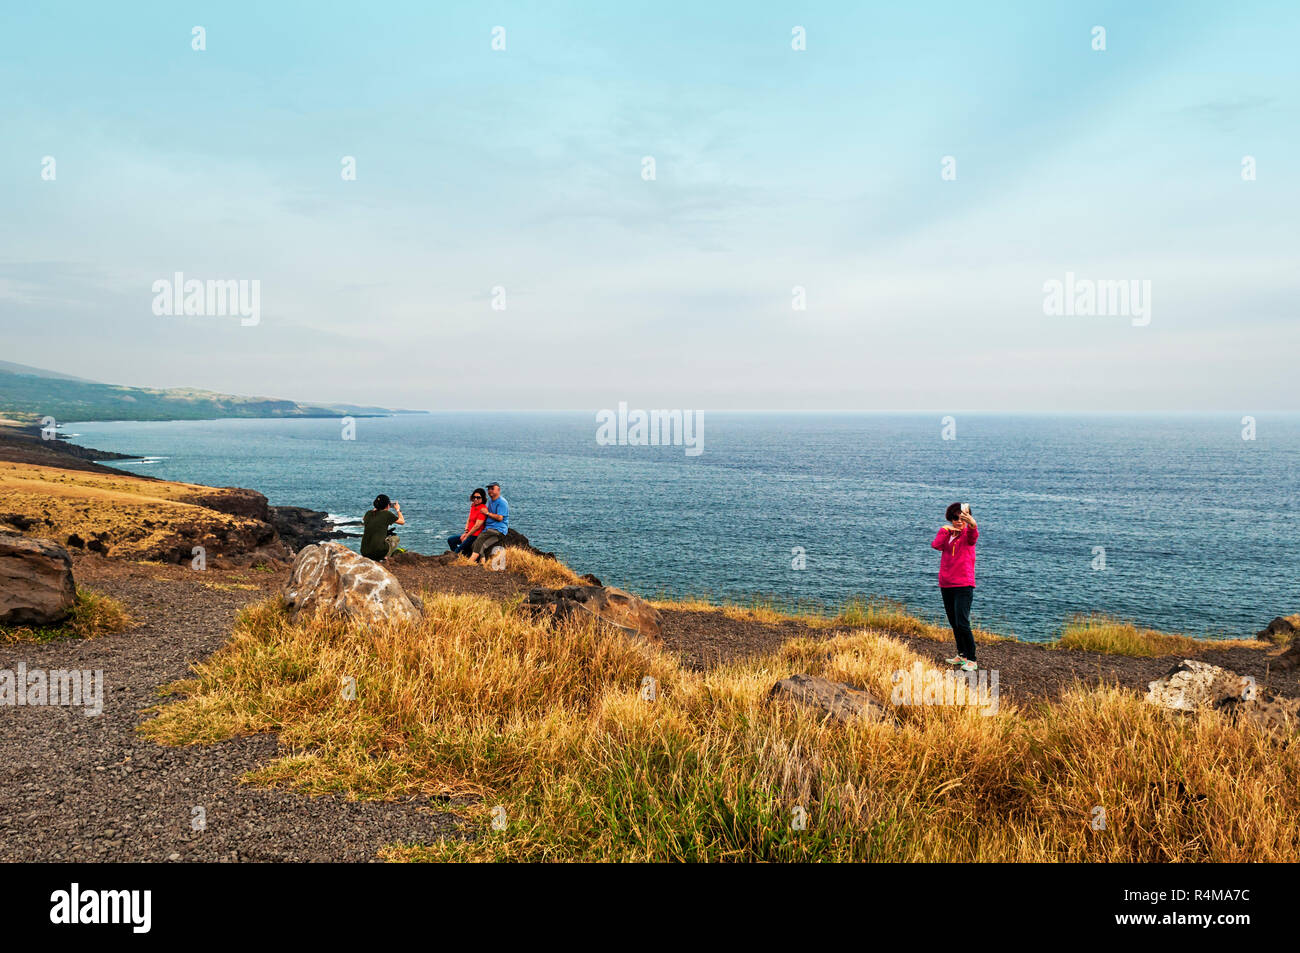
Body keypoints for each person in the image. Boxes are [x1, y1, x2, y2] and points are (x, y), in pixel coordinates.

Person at [931, 502, 978, 671]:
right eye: (954, 518)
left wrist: (972, 524)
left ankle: (972, 658)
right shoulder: (947, 533)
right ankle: (962, 654)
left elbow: (973, 536)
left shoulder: (968, 534)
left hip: (963, 584)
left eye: (961, 518)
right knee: (954, 622)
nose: (958, 521)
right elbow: (936, 545)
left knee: (962, 622)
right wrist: (945, 530)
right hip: (946, 583)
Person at [470, 482, 508, 563]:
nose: (490, 491)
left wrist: (487, 513)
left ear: (498, 490)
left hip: (497, 529)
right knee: (477, 545)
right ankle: (482, 563)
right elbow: (484, 507)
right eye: (488, 489)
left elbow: (500, 518)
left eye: (492, 489)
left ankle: (470, 561)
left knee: (480, 539)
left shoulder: (502, 502)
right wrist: (475, 505)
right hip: (490, 528)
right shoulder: (491, 501)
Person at [360, 494, 404, 561]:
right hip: (377, 552)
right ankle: (385, 558)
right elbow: (402, 521)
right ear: (387, 505)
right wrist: (398, 509)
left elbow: (364, 519)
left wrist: (376, 508)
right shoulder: (387, 514)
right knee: (396, 538)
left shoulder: (368, 513)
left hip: (364, 552)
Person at [448, 488, 488, 557]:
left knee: (457, 550)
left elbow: (477, 526)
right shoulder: (473, 506)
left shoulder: (483, 509)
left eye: (478, 497)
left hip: (475, 536)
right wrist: (466, 532)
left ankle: (458, 557)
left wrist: (467, 536)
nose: (475, 499)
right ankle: (462, 556)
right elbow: (469, 519)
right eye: (474, 497)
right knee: (451, 540)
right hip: (469, 533)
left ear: (483, 498)